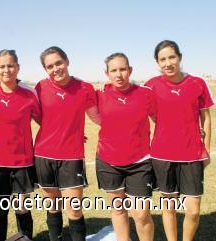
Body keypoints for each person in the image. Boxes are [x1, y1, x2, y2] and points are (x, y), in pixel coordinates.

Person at [145, 40, 213, 241]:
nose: (168, 63)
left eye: (171, 57)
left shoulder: (197, 83)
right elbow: (148, 113)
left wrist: (205, 149)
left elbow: (206, 119)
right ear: (157, 62)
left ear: (180, 57)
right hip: (162, 155)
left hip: (192, 154)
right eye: (162, 59)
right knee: (169, 208)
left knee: (192, 210)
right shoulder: (151, 85)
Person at [34, 46, 99, 241]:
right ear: (45, 69)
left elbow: (97, 117)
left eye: (58, 63)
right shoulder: (40, 87)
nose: (56, 69)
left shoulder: (84, 88)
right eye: (50, 66)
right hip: (44, 155)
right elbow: (37, 116)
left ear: (67, 61)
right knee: (53, 206)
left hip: (71, 157)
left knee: (75, 210)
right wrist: (60, 129)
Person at [0, 49, 41, 241]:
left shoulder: (29, 94)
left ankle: (25, 238)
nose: (7, 70)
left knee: (22, 207)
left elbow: (44, 122)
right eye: (2, 66)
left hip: (22, 162)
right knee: (0, 210)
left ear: (18, 67)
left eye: (10, 65)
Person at [96, 53, 155, 241]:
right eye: (113, 70)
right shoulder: (100, 95)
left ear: (130, 70)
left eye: (122, 69)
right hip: (108, 161)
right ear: (107, 73)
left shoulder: (145, 94)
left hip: (140, 161)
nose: (119, 74)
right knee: (118, 209)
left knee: (141, 214)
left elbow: (162, 119)